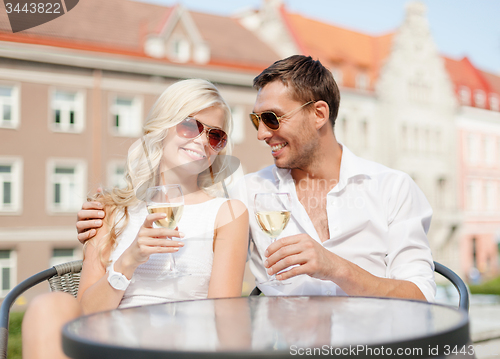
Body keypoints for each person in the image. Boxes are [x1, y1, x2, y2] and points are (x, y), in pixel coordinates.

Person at [77, 55, 435, 302]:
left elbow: (421, 296)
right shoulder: (246, 192)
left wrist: (335, 267)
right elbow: (188, 213)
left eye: (272, 119)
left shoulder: (393, 188)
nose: (262, 134)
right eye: (255, 121)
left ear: (319, 114)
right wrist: (101, 218)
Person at [22, 79, 249, 359]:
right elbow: (83, 317)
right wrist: (129, 260)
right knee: (48, 306)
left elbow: (223, 320)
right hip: (112, 346)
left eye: (216, 136)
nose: (203, 140)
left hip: (183, 348)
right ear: (163, 127)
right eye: (191, 125)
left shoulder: (228, 213)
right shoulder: (110, 210)